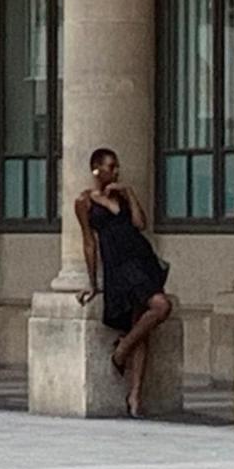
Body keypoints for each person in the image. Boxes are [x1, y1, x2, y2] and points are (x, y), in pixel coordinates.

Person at [74, 147, 171, 418]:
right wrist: (93, 282)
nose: (115, 171)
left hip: (140, 257)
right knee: (160, 307)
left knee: (144, 321)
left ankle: (134, 394)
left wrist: (128, 193)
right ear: (97, 170)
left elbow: (140, 224)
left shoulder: (122, 195)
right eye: (111, 166)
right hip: (118, 265)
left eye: (116, 166)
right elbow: (88, 242)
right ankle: (123, 350)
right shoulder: (84, 201)